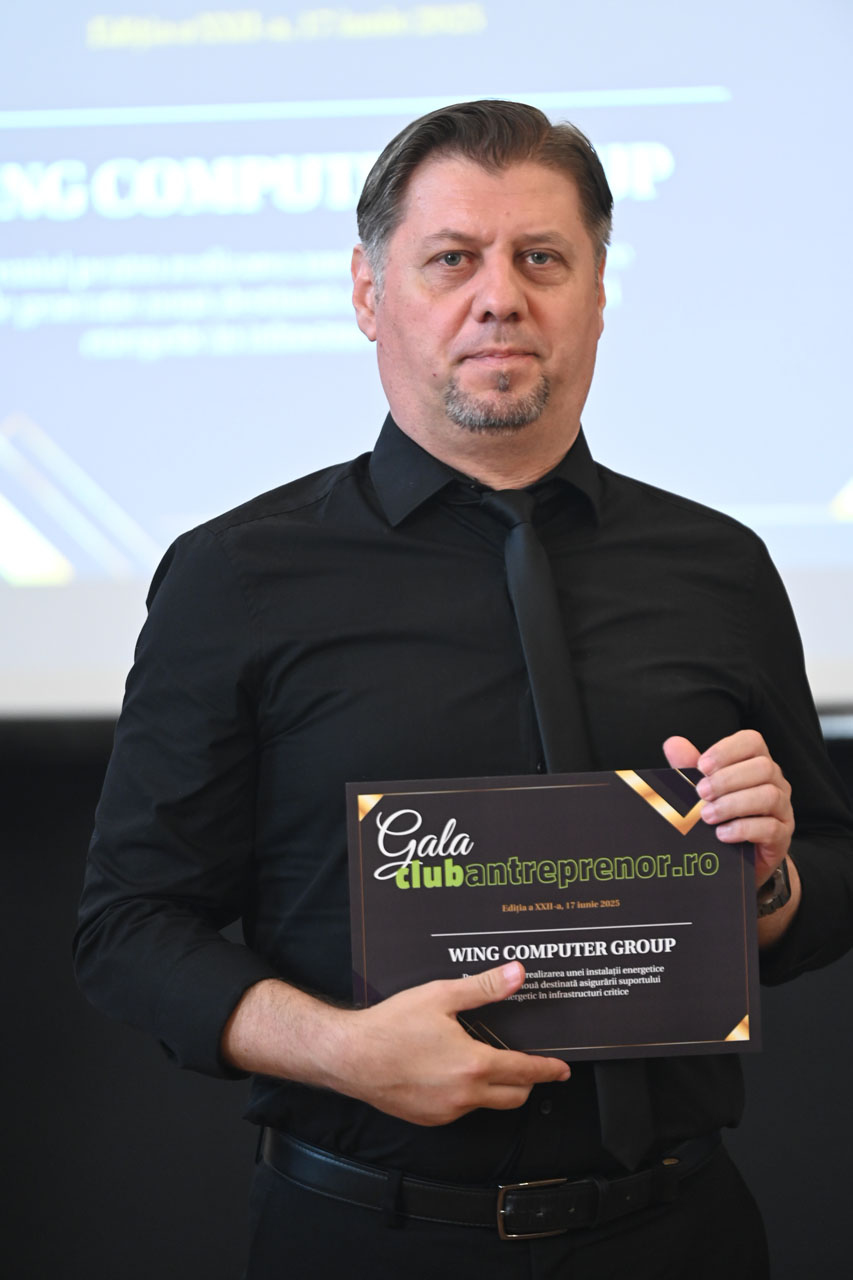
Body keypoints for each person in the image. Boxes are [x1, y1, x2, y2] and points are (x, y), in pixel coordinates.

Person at [74, 100, 853, 1279]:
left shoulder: (719, 565)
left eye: (541, 258)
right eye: (452, 259)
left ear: (598, 292)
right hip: (366, 1238)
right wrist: (341, 1048)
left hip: (679, 1230)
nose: (501, 297)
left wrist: (769, 884)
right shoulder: (237, 575)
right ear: (367, 291)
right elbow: (128, 927)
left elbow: (827, 882)